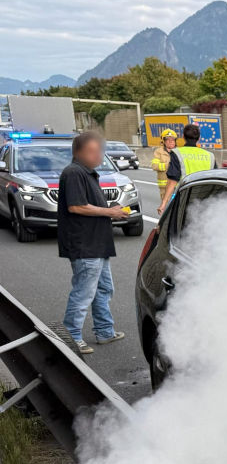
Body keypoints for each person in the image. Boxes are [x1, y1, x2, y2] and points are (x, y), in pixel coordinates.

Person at [57, 132, 128, 354]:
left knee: (103, 288)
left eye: (100, 150)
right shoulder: (74, 173)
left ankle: (105, 331)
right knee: (84, 292)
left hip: (97, 243)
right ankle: (71, 337)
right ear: (80, 152)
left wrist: (111, 211)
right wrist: (110, 212)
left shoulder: (87, 173)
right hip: (84, 244)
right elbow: (76, 207)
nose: (99, 155)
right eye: (93, 151)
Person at [158, 123, 215, 214]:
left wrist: (164, 203)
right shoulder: (210, 156)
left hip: (184, 198)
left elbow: (172, 181)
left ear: (183, 137)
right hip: (204, 200)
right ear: (199, 138)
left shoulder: (177, 153)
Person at [150, 128, 177, 205]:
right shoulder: (158, 152)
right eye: (168, 139)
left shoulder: (179, 152)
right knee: (167, 208)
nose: (171, 141)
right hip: (165, 187)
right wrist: (168, 165)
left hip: (177, 186)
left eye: (173, 139)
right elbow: (154, 166)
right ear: (163, 141)